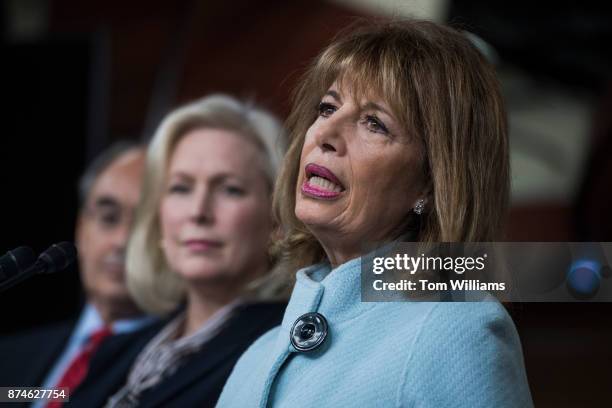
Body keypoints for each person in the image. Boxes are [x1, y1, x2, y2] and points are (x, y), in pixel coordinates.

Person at [216, 20, 534, 407]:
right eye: (327, 107)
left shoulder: (457, 338)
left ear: (433, 184)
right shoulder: (256, 356)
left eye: (374, 123)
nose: (325, 133)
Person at [73, 94, 287, 408]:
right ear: (158, 218)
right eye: (181, 188)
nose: (198, 212)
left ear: (276, 218)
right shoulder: (117, 349)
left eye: (230, 189)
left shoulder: (281, 350)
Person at [0, 142, 158, 407]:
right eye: (109, 217)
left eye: (145, 223)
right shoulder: (10, 355)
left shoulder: (176, 364)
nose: (122, 241)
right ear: (80, 228)